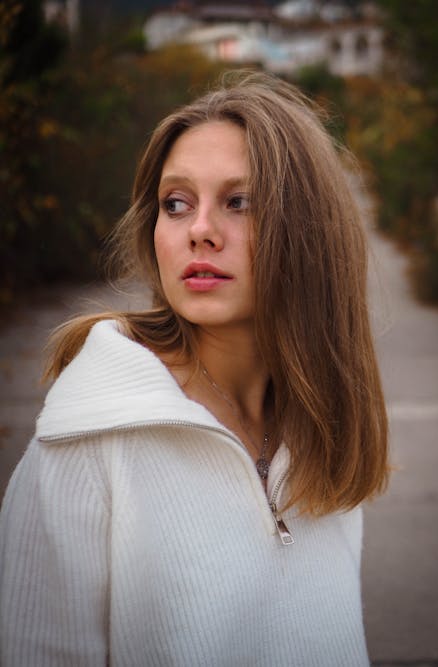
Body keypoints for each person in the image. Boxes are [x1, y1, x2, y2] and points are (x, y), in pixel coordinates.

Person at [0, 71, 389, 666]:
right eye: (175, 204)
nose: (200, 231)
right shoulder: (88, 441)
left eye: (240, 202)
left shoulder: (325, 427)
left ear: (310, 233)